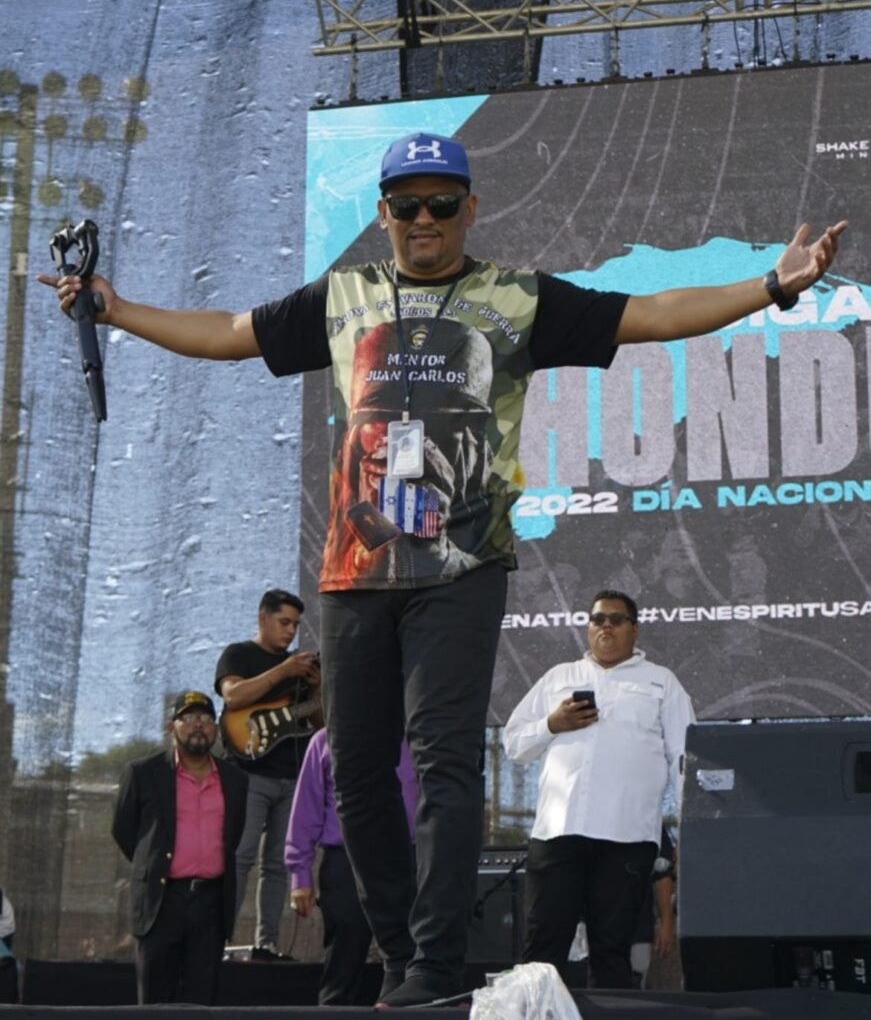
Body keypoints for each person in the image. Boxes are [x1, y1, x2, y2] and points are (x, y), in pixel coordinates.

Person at [39, 132, 846, 1008]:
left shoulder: (515, 297)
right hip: (356, 571)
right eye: (406, 204)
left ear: (470, 208)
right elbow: (233, 333)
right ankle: (396, 951)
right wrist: (119, 310)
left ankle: (431, 958)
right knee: (354, 771)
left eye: (441, 203)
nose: (423, 218)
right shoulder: (345, 295)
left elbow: (647, 314)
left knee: (444, 760)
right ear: (383, 213)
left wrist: (770, 287)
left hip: (462, 565)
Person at [502, 591, 695, 988]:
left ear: (634, 629)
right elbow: (514, 744)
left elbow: (684, 758)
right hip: (558, 831)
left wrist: (692, 828)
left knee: (612, 951)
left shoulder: (661, 682)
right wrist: (552, 724)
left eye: (617, 619)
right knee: (542, 951)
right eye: (597, 619)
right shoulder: (559, 677)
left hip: (627, 835)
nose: (606, 626)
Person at [111, 690, 248, 1004]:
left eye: (206, 718)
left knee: (202, 1000)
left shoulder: (235, 779)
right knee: (155, 1001)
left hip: (211, 903)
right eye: (189, 718)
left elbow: (234, 834)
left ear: (216, 728)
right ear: (170, 727)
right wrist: (154, 863)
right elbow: (124, 830)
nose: (198, 725)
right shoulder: (143, 773)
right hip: (161, 902)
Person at [214, 588, 322, 961]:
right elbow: (233, 697)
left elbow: (319, 724)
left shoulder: (302, 667)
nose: (291, 631)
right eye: (284, 622)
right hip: (248, 773)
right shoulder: (239, 654)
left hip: (292, 777)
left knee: (277, 864)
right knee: (240, 856)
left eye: (295, 625)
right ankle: (219, 940)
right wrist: (283, 671)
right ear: (263, 618)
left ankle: (267, 944)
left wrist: (316, 688)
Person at [284, 728, 417, 1005]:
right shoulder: (325, 740)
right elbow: (306, 808)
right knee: (344, 958)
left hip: (405, 856)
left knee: (409, 958)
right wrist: (300, 875)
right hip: (346, 858)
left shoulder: (416, 738)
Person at [630, 824, 676, 989]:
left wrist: (666, 923)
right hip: (591, 926)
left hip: (637, 927)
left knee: (635, 986)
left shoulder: (650, 820)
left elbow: (662, 875)